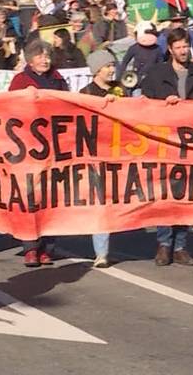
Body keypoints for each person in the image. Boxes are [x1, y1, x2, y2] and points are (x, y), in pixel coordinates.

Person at [140, 27, 193, 266]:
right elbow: (144, 102)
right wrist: (163, 104)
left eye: (186, 46)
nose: (183, 51)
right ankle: (164, 243)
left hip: (192, 143)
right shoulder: (156, 73)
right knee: (166, 192)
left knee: (186, 193)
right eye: (179, 47)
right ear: (170, 50)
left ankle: (181, 245)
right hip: (166, 141)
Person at [8, 39, 68, 266]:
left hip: (55, 144)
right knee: (31, 197)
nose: (45, 60)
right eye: (40, 56)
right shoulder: (20, 80)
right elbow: (9, 110)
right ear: (30, 59)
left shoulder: (58, 79)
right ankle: (30, 247)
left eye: (47, 56)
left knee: (52, 197)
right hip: (28, 147)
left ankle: (48, 247)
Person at [79, 50, 121, 267]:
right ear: (96, 69)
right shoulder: (85, 93)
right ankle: (101, 252)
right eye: (107, 66)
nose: (112, 69)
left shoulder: (121, 90)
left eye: (113, 65)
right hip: (96, 154)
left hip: (121, 153)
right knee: (100, 202)